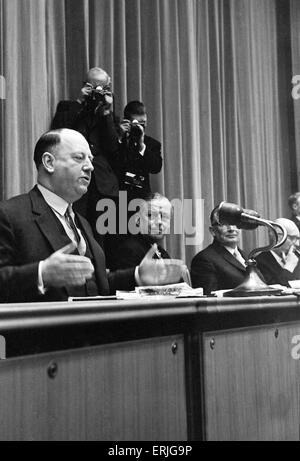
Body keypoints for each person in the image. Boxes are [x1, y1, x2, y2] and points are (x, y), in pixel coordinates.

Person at [0, 129, 184, 303]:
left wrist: (137, 275)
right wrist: (41, 274)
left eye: (90, 159)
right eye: (79, 158)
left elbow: (96, 287)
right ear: (49, 162)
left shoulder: (83, 223)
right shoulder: (10, 215)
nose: (89, 167)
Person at [51, 67, 120, 244]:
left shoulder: (108, 114)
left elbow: (113, 148)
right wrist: (80, 102)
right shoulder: (68, 107)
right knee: (75, 230)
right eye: (94, 87)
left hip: (101, 184)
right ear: (86, 86)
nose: (98, 92)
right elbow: (59, 134)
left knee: (100, 237)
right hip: (74, 178)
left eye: (102, 88)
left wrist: (106, 113)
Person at [105, 193, 172, 270]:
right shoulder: (129, 251)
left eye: (165, 217)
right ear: (137, 220)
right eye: (151, 215)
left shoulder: (161, 252)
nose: (159, 222)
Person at [190, 205, 247, 294]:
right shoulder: (204, 259)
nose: (231, 229)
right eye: (224, 224)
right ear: (213, 231)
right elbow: (210, 298)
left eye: (235, 223)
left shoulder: (247, 256)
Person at [117, 100, 162, 201]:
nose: (141, 127)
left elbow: (156, 168)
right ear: (127, 122)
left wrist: (142, 146)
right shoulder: (117, 138)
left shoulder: (151, 144)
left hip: (140, 198)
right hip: (116, 198)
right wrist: (120, 136)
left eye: (143, 123)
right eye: (137, 124)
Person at [255, 218, 300, 286]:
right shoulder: (259, 262)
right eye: (293, 238)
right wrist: (289, 266)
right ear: (278, 237)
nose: (297, 244)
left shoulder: (297, 256)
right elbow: (275, 290)